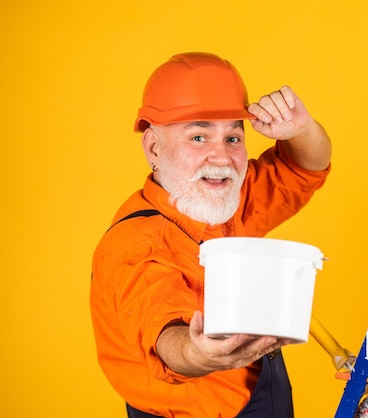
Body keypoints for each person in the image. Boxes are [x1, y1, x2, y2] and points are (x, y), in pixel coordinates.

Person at [90, 52, 331, 418]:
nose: (221, 156)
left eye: (233, 137)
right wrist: (196, 354)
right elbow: (163, 334)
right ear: (154, 148)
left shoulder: (225, 197)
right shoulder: (138, 245)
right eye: (199, 137)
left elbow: (305, 166)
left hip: (261, 395)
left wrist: (303, 128)